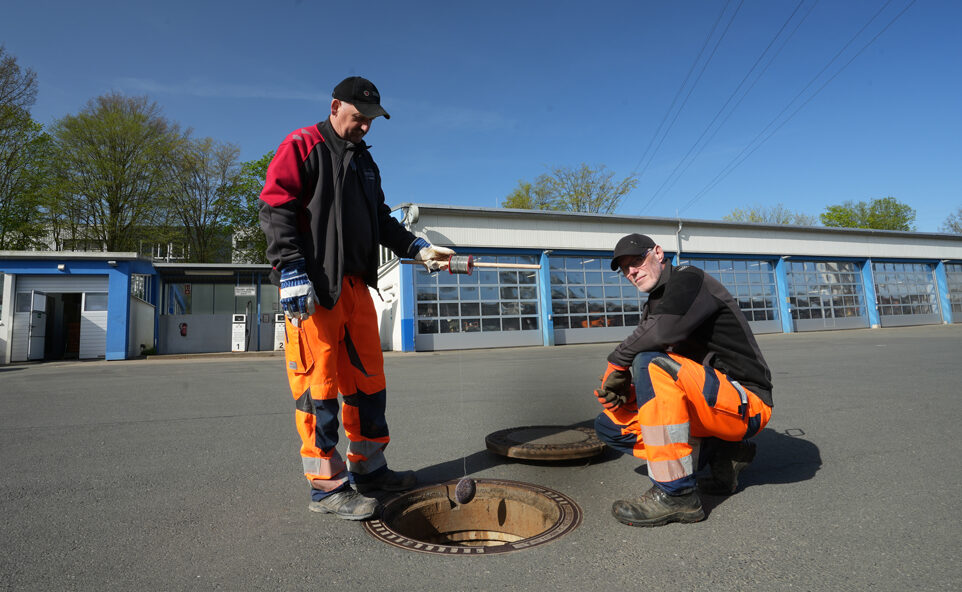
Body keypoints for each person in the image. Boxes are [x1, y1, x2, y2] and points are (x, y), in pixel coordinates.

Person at [259, 76, 454, 520]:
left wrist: (418, 248)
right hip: (312, 289)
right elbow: (276, 204)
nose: (366, 127)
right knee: (319, 385)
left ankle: (368, 468)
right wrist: (290, 268)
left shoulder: (366, 164)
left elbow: (381, 220)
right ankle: (327, 487)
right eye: (359, 118)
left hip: (354, 286)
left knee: (368, 379)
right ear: (335, 106)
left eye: (372, 121)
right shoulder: (303, 145)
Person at [592, 233, 773, 527]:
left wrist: (617, 363)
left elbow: (662, 335)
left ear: (659, 253)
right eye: (625, 269)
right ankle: (723, 453)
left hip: (747, 403)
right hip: (708, 405)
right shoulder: (654, 305)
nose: (631, 272)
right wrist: (629, 395)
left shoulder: (689, 279)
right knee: (610, 425)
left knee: (648, 362)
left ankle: (677, 494)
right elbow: (666, 386)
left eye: (637, 261)